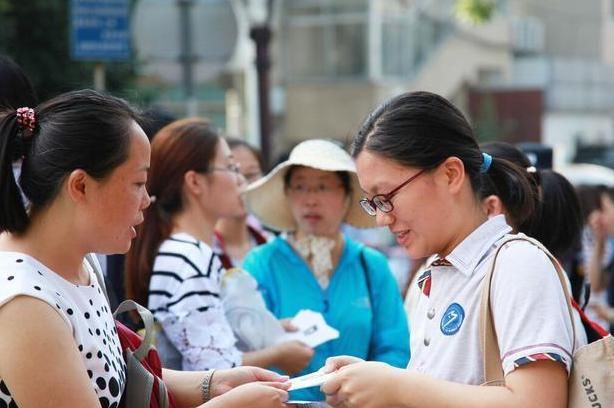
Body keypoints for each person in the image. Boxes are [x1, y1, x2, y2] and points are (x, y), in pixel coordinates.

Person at [0, 90, 290, 408]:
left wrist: (214, 384)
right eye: (138, 183)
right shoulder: (22, 302)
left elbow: (115, 376)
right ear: (80, 186)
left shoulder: (78, 265)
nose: (146, 199)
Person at [320, 91, 586, 408]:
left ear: (450, 174)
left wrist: (398, 387)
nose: (381, 218)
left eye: (387, 196)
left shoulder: (519, 263)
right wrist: (376, 382)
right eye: (373, 202)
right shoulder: (436, 273)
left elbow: (538, 402)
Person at [124, 118, 314, 373]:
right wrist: (278, 353)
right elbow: (213, 367)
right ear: (195, 183)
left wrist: (274, 330)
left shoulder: (186, 251)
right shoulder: (187, 256)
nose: (241, 182)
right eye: (231, 168)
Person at [242, 139, 410, 401]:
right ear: (287, 195)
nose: (310, 200)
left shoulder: (371, 265)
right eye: (300, 187)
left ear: (346, 196)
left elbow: (396, 349)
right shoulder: (260, 264)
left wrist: (366, 386)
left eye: (322, 187)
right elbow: (239, 348)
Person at [214, 138, 269, 269]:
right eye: (232, 171)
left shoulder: (272, 245)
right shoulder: (202, 249)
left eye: (251, 174)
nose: (243, 183)